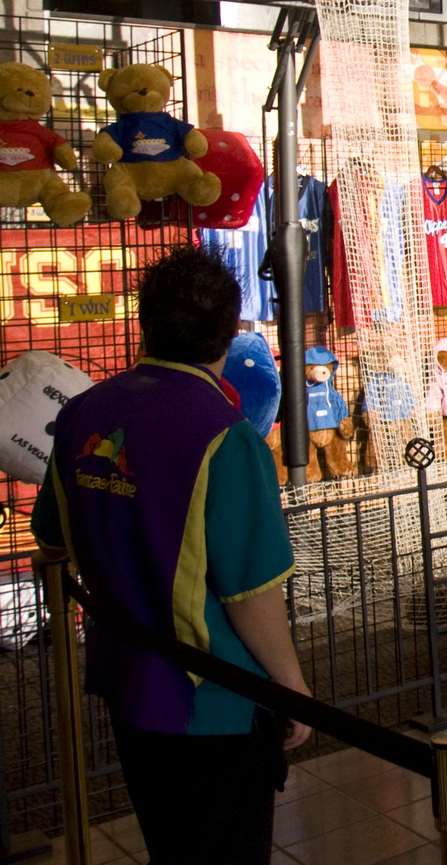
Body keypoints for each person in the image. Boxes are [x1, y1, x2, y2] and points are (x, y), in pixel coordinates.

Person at [32, 247, 310, 864]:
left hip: (125, 678)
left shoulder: (82, 412)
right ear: (229, 333)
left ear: (145, 322)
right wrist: (292, 687)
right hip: (211, 696)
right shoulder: (226, 434)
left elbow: (52, 536)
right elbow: (251, 593)